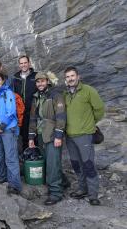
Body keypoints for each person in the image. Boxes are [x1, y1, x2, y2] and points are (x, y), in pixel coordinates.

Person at [64, 66, 104, 206]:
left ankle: (93, 195)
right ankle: (82, 189)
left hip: (85, 135)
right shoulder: (66, 95)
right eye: (68, 76)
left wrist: (90, 124)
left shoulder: (88, 91)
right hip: (69, 136)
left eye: (72, 75)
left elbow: (99, 110)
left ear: (78, 76)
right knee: (76, 164)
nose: (70, 78)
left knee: (88, 164)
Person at [28, 72, 66, 205]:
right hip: (40, 134)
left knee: (52, 164)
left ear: (48, 82)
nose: (40, 84)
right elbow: (33, 118)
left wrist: (59, 135)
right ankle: (64, 182)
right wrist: (31, 137)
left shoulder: (56, 95)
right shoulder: (36, 97)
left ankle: (56, 193)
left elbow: (61, 116)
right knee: (50, 162)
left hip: (52, 134)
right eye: (38, 82)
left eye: (42, 81)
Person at [13, 55, 37, 149]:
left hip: (33, 111)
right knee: (23, 136)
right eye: (21, 63)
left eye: (25, 63)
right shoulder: (15, 78)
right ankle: (25, 157)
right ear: (19, 65)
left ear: (29, 63)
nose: (23, 65)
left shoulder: (35, 76)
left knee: (34, 135)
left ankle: (35, 157)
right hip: (20, 113)